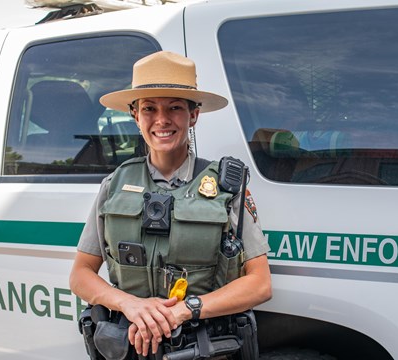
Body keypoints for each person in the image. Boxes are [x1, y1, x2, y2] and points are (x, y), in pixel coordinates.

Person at [69, 51, 272, 359]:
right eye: (149, 108)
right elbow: (81, 274)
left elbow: (259, 284)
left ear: (193, 115)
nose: (161, 120)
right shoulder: (114, 185)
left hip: (203, 346)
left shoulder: (227, 186)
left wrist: (184, 311)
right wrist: (129, 304)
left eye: (174, 108)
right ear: (135, 116)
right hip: (128, 345)